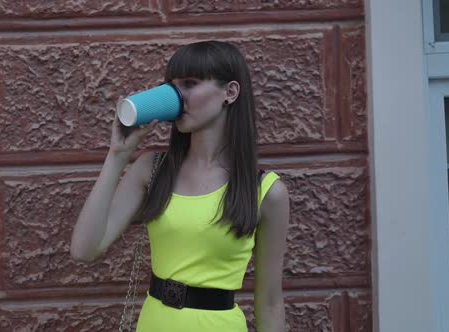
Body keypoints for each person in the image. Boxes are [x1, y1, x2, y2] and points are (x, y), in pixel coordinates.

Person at [70, 40, 290, 332]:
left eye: (190, 83)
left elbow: (271, 302)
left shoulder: (265, 191)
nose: (176, 96)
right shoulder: (153, 169)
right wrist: (117, 156)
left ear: (230, 92)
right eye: (172, 86)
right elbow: (84, 250)